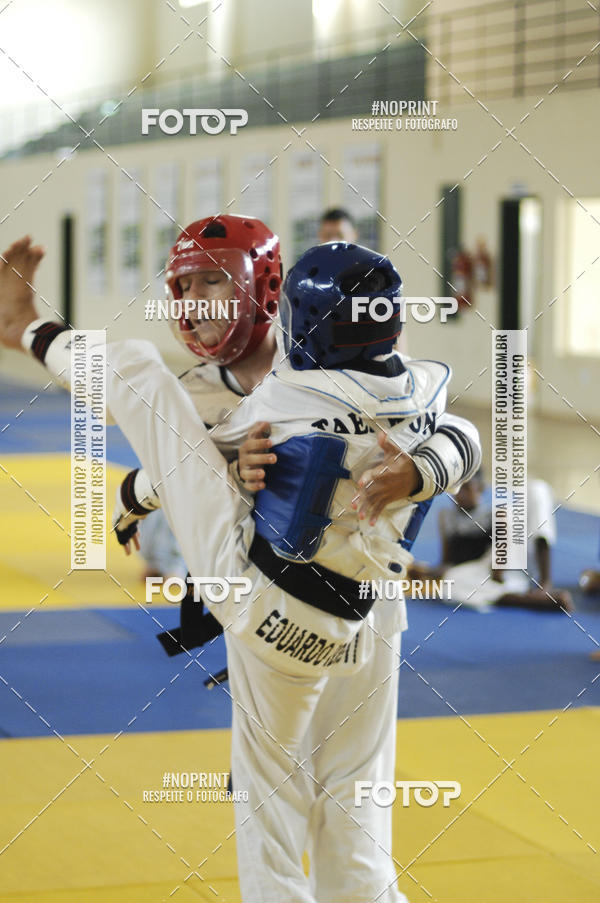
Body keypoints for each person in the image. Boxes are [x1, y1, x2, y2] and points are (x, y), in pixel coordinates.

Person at [0, 235, 481, 902]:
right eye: (188, 287)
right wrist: (421, 468)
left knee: (135, 369)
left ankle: (26, 330)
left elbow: (193, 456)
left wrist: (130, 498)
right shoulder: (424, 385)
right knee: (356, 799)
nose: (194, 303)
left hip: (268, 607)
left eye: (211, 284)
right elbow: (468, 437)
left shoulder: (280, 403)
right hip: (363, 614)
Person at [410, 471, 573, 611]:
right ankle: (530, 601)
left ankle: (545, 583)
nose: (461, 494)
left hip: (513, 561)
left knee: (536, 489)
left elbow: (505, 536)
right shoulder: (446, 517)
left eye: (467, 488)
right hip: (487, 574)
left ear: (480, 489)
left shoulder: (493, 513)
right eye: (457, 489)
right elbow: (446, 563)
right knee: (451, 582)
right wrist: (426, 573)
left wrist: (499, 566)